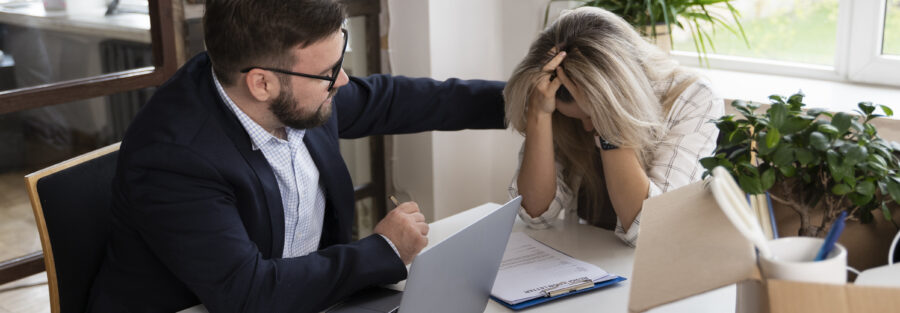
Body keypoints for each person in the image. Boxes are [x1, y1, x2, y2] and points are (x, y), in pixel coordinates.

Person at [85, 0, 505, 312]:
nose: (341, 80)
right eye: (327, 73)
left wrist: (520, 100)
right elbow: (247, 294)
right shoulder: (174, 157)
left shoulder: (297, 90)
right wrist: (384, 250)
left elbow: (393, 99)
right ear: (261, 84)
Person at [505, 7, 723, 247]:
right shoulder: (555, 103)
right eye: (578, 118)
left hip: (660, 266)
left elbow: (649, 230)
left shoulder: (692, 97)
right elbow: (536, 214)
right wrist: (539, 115)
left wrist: (609, 121)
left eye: (590, 116)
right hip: (588, 254)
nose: (588, 128)